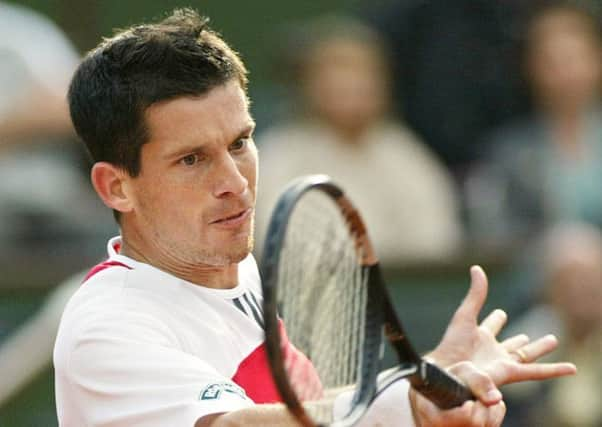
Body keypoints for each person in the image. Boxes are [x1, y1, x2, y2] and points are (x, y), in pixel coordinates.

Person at [53, 9, 575, 427]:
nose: (234, 181)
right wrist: (415, 400)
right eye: (192, 159)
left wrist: (425, 385)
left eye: (240, 143)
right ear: (115, 186)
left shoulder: (238, 274)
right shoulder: (107, 328)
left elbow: (309, 414)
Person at [256, 16, 462, 265]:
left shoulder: (405, 154)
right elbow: (272, 244)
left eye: (363, 70)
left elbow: (439, 244)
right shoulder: (278, 156)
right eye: (337, 69)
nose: (352, 82)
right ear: (306, 81)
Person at [465, 2, 602, 245]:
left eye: (574, 58)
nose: (565, 73)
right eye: (552, 61)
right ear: (530, 67)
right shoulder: (505, 152)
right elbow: (489, 235)